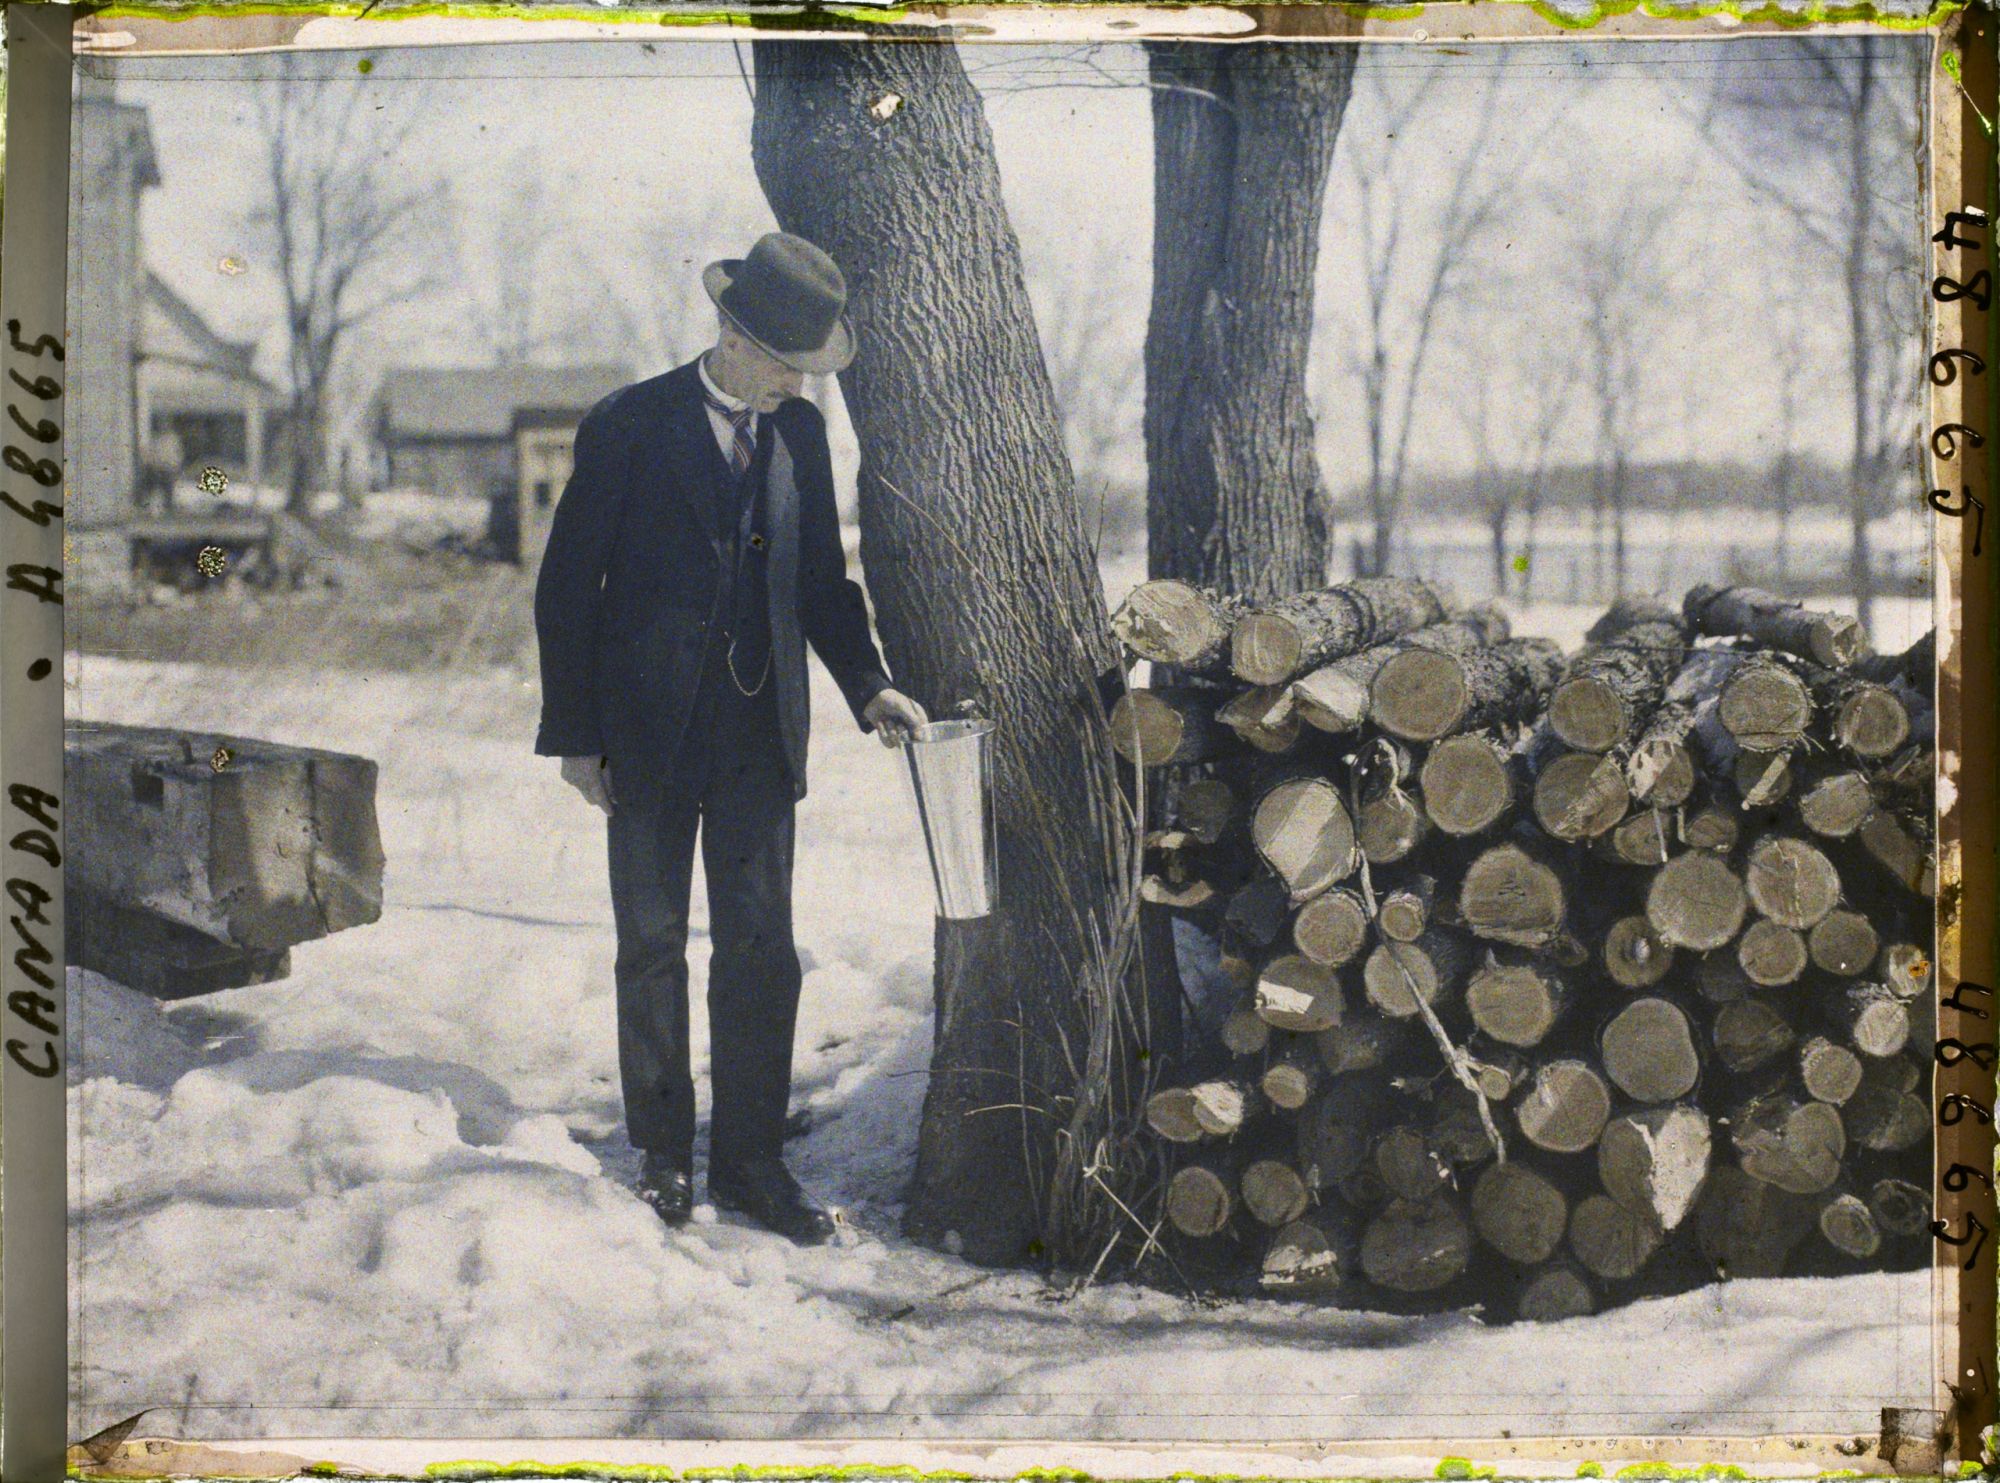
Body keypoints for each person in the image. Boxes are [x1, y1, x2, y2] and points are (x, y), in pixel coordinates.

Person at [533, 231, 927, 1245]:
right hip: (643, 735)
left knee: (761, 948)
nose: (799, 383)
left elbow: (823, 584)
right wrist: (576, 736)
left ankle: (751, 1163)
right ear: (734, 336)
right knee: (651, 945)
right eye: (787, 364)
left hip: (760, 737)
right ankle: (663, 1156)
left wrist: (870, 685)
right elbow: (567, 587)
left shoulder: (801, 437)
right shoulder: (628, 423)